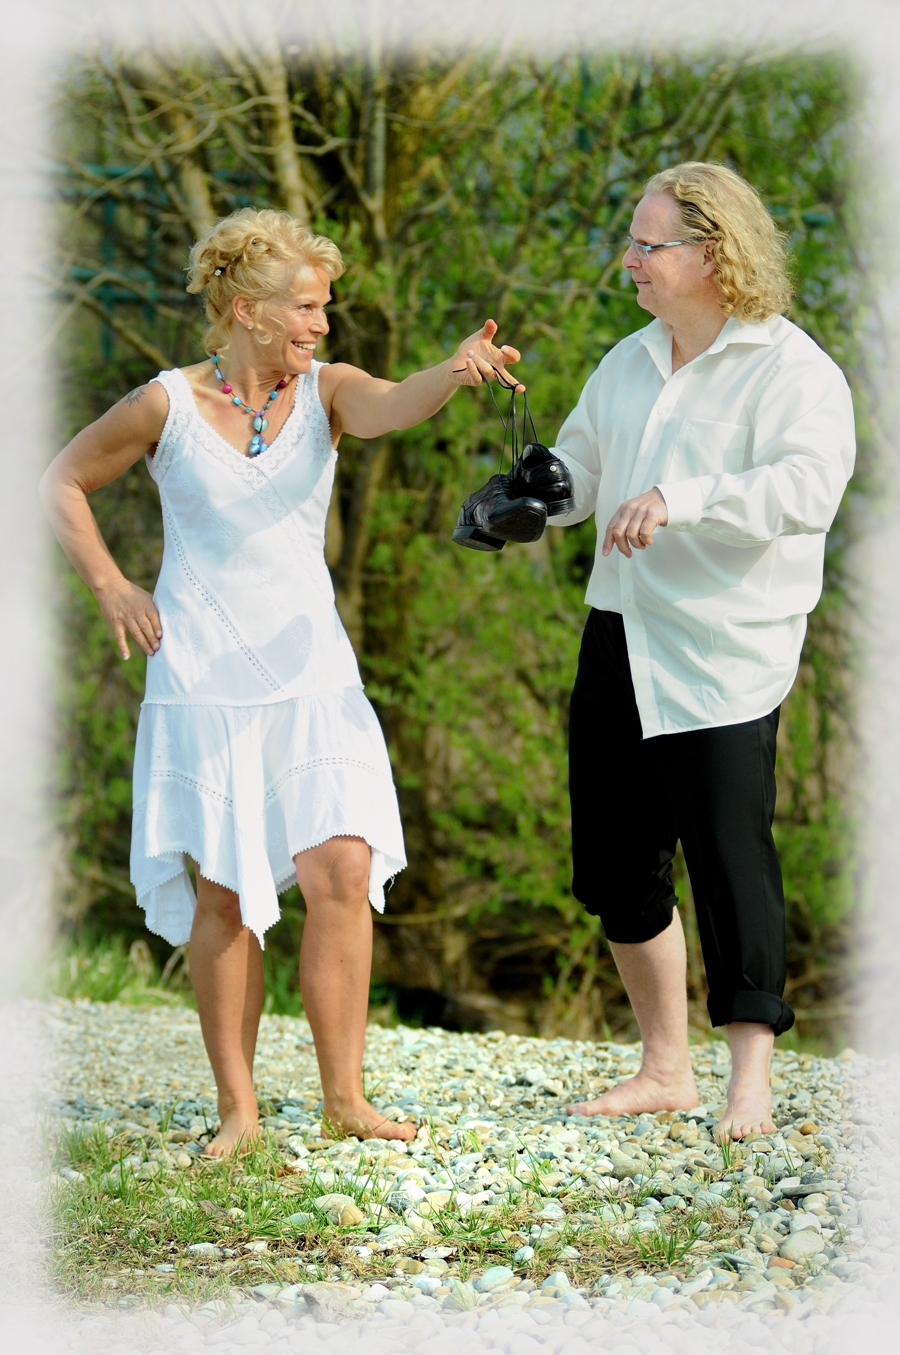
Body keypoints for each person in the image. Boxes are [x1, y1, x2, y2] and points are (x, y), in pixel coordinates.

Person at [40, 207, 523, 1155]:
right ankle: (239, 1110)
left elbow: (393, 402)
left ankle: (346, 1099)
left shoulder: (329, 391)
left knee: (341, 869)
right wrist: (112, 584)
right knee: (225, 895)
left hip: (313, 678)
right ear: (244, 309)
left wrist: (454, 370)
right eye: (306, 306)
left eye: (324, 305)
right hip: (204, 680)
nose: (322, 323)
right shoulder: (165, 405)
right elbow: (60, 479)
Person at [546, 163, 854, 1140]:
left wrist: (683, 497)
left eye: (648, 245)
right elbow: (580, 468)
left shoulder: (792, 369)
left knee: (729, 862)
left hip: (725, 649)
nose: (628, 261)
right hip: (619, 630)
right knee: (612, 864)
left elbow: (807, 488)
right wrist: (532, 495)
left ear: (713, 253)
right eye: (631, 242)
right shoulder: (627, 360)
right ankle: (665, 1068)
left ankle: (749, 1081)